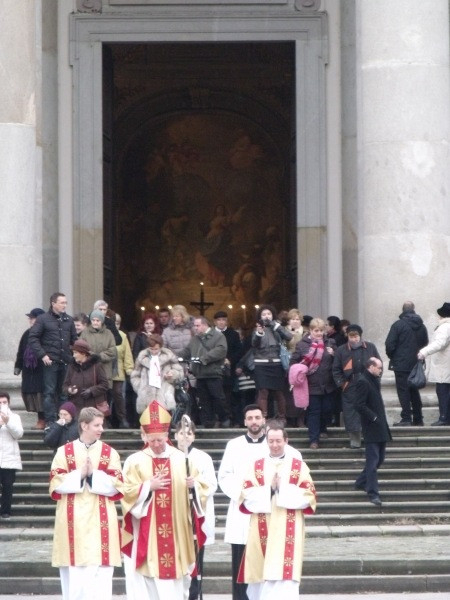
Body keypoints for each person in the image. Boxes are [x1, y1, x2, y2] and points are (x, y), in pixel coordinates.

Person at [121, 400, 208, 600]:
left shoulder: (182, 459)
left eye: (160, 440)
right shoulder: (135, 461)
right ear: (145, 436)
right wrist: (147, 487)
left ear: (167, 436)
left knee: (176, 582)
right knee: (149, 579)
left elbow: (201, 490)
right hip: (148, 530)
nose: (156, 444)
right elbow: (126, 493)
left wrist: (193, 486)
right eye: (152, 440)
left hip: (177, 531)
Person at [49, 407, 123, 600]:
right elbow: (55, 484)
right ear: (84, 425)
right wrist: (80, 474)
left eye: (101, 425)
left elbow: (118, 486)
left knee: (101, 575)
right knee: (75, 577)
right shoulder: (64, 452)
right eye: (97, 425)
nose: (101, 429)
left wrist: (92, 475)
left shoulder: (109, 453)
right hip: (72, 521)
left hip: (101, 521)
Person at [237, 421, 316, 600]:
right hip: (261, 527)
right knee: (261, 576)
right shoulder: (256, 466)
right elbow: (245, 498)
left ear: (286, 441)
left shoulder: (298, 466)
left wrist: (283, 489)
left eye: (278, 441)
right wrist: (269, 490)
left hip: (289, 529)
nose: (274, 445)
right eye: (271, 441)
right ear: (266, 441)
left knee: (284, 574)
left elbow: (309, 497)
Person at [218, 404, 268, 600]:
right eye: (250, 418)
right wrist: (242, 494)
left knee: (265, 562)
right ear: (245, 421)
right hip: (241, 509)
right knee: (240, 562)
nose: (254, 421)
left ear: (263, 420)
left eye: (257, 417)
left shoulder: (272, 444)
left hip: (266, 510)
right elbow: (224, 475)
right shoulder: (234, 445)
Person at [174, 420, 217, 600]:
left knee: (196, 560)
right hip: (176, 514)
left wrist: (196, 485)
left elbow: (212, 484)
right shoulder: (170, 456)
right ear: (175, 435)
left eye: (189, 433)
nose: (185, 437)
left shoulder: (203, 457)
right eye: (182, 433)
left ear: (194, 437)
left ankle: (194, 594)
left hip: (196, 514)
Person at [28, 292, 77, 426]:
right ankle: (50, 422)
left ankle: (64, 421)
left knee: (64, 393)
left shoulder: (69, 320)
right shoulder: (43, 319)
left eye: (66, 303)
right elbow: (33, 337)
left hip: (65, 361)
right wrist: (42, 355)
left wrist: (75, 354)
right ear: (53, 303)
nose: (65, 305)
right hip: (50, 361)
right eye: (62, 303)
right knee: (49, 392)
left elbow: (74, 340)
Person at [290, 317, 337, 449]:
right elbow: (293, 362)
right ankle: (314, 439)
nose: (319, 333)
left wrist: (334, 354)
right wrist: (299, 371)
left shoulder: (330, 342)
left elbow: (339, 361)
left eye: (321, 330)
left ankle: (323, 428)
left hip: (328, 384)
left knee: (327, 409)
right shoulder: (302, 344)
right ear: (310, 330)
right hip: (310, 385)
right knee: (314, 412)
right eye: (316, 330)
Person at [332, 324, 381, 449]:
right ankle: (355, 439)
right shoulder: (341, 350)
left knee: (370, 409)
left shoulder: (370, 347)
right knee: (351, 412)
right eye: (351, 336)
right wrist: (343, 384)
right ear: (347, 336)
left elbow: (378, 364)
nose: (354, 339)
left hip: (368, 383)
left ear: (360, 336)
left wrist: (376, 380)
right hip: (350, 385)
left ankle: (370, 437)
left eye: (356, 336)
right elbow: (336, 369)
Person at [179, 316, 230, 428]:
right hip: (200, 374)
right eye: (194, 326)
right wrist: (173, 356)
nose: (195, 328)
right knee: (204, 400)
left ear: (205, 325)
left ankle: (224, 418)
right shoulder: (195, 339)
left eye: (197, 325)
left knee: (218, 397)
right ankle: (209, 422)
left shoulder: (218, 336)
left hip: (213, 373)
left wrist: (204, 358)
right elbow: (186, 351)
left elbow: (221, 350)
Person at [353, 358, 392, 506]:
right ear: (371, 367)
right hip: (372, 426)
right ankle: (373, 492)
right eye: (379, 368)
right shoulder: (363, 381)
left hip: (379, 426)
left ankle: (360, 482)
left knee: (379, 459)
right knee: (373, 461)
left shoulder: (373, 380)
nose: (381, 370)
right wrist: (373, 417)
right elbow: (359, 404)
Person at [385, 301, 429, 426]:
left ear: (403, 310)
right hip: (416, 363)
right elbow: (425, 343)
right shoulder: (422, 326)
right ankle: (418, 418)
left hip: (401, 364)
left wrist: (394, 357)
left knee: (403, 391)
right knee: (414, 390)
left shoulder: (398, 325)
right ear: (413, 309)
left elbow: (389, 345)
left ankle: (406, 418)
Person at [251, 304, 292, 422]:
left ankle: (282, 417)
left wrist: (276, 326)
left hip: (276, 364)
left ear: (272, 315)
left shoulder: (277, 327)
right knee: (263, 391)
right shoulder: (257, 329)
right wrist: (259, 333)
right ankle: (263, 417)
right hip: (261, 364)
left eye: (268, 314)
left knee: (278, 392)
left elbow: (289, 336)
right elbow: (254, 344)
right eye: (263, 314)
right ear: (260, 317)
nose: (266, 316)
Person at [131, 333, 184, 414]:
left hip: (165, 396)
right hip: (145, 399)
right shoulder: (141, 358)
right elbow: (135, 376)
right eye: (151, 349)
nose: (154, 352)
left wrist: (172, 374)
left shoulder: (169, 357)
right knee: (147, 421)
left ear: (161, 347)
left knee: (165, 420)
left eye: (156, 349)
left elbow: (180, 372)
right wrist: (140, 388)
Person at [418, 302, 450, 426]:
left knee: (443, 393)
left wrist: (424, 352)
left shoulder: (445, 327)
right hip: (446, 366)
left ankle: (444, 418)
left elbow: (439, 343)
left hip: (443, 367)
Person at [14, 307, 46, 429]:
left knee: (42, 394)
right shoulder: (27, 333)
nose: (30, 320)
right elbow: (21, 351)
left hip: (42, 369)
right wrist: (18, 366)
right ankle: (40, 419)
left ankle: (44, 419)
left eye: (33, 318)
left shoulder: (47, 333)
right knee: (31, 394)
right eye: (30, 318)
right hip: (29, 370)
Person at [63, 339, 110, 414]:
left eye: (75, 353)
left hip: (94, 409)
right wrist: (69, 390)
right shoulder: (71, 367)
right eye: (73, 353)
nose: (73, 355)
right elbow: (65, 386)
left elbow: (105, 384)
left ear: (83, 353)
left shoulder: (96, 366)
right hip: (76, 408)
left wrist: (91, 391)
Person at [214, 310, 243, 426]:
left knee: (230, 395)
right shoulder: (210, 334)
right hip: (214, 369)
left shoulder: (233, 334)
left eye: (224, 320)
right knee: (216, 395)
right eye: (219, 320)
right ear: (215, 322)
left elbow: (239, 351)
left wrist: (230, 360)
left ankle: (232, 418)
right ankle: (219, 418)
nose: (221, 322)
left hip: (229, 370)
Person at [0, 392, 24, 519]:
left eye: (4, 402)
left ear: (8, 403)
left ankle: (6, 511)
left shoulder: (15, 417)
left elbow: (18, 434)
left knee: (7, 486)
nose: (2, 405)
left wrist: (8, 422)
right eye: (0, 403)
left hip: (9, 458)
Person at [80, 310, 117, 390]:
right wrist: (92, 356)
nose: (95, 322)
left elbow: (112, 350)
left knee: (104, 394)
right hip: (89, 368)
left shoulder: (109, 333)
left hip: (105, 369)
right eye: (93, 320)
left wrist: (100, 356)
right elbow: (81, 348)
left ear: (102, 321)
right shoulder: (85, 333)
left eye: (97, 320)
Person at [111, 312, 134, 428]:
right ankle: (105, 420)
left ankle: (122, 419)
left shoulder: (122, 336)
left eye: (118, 323)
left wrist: (129, 370)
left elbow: (127, 355)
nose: (116, 325)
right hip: (104, 371)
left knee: (119, 394)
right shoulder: (104, 335)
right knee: (105, 396)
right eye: (114, 323)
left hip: (118, 371)